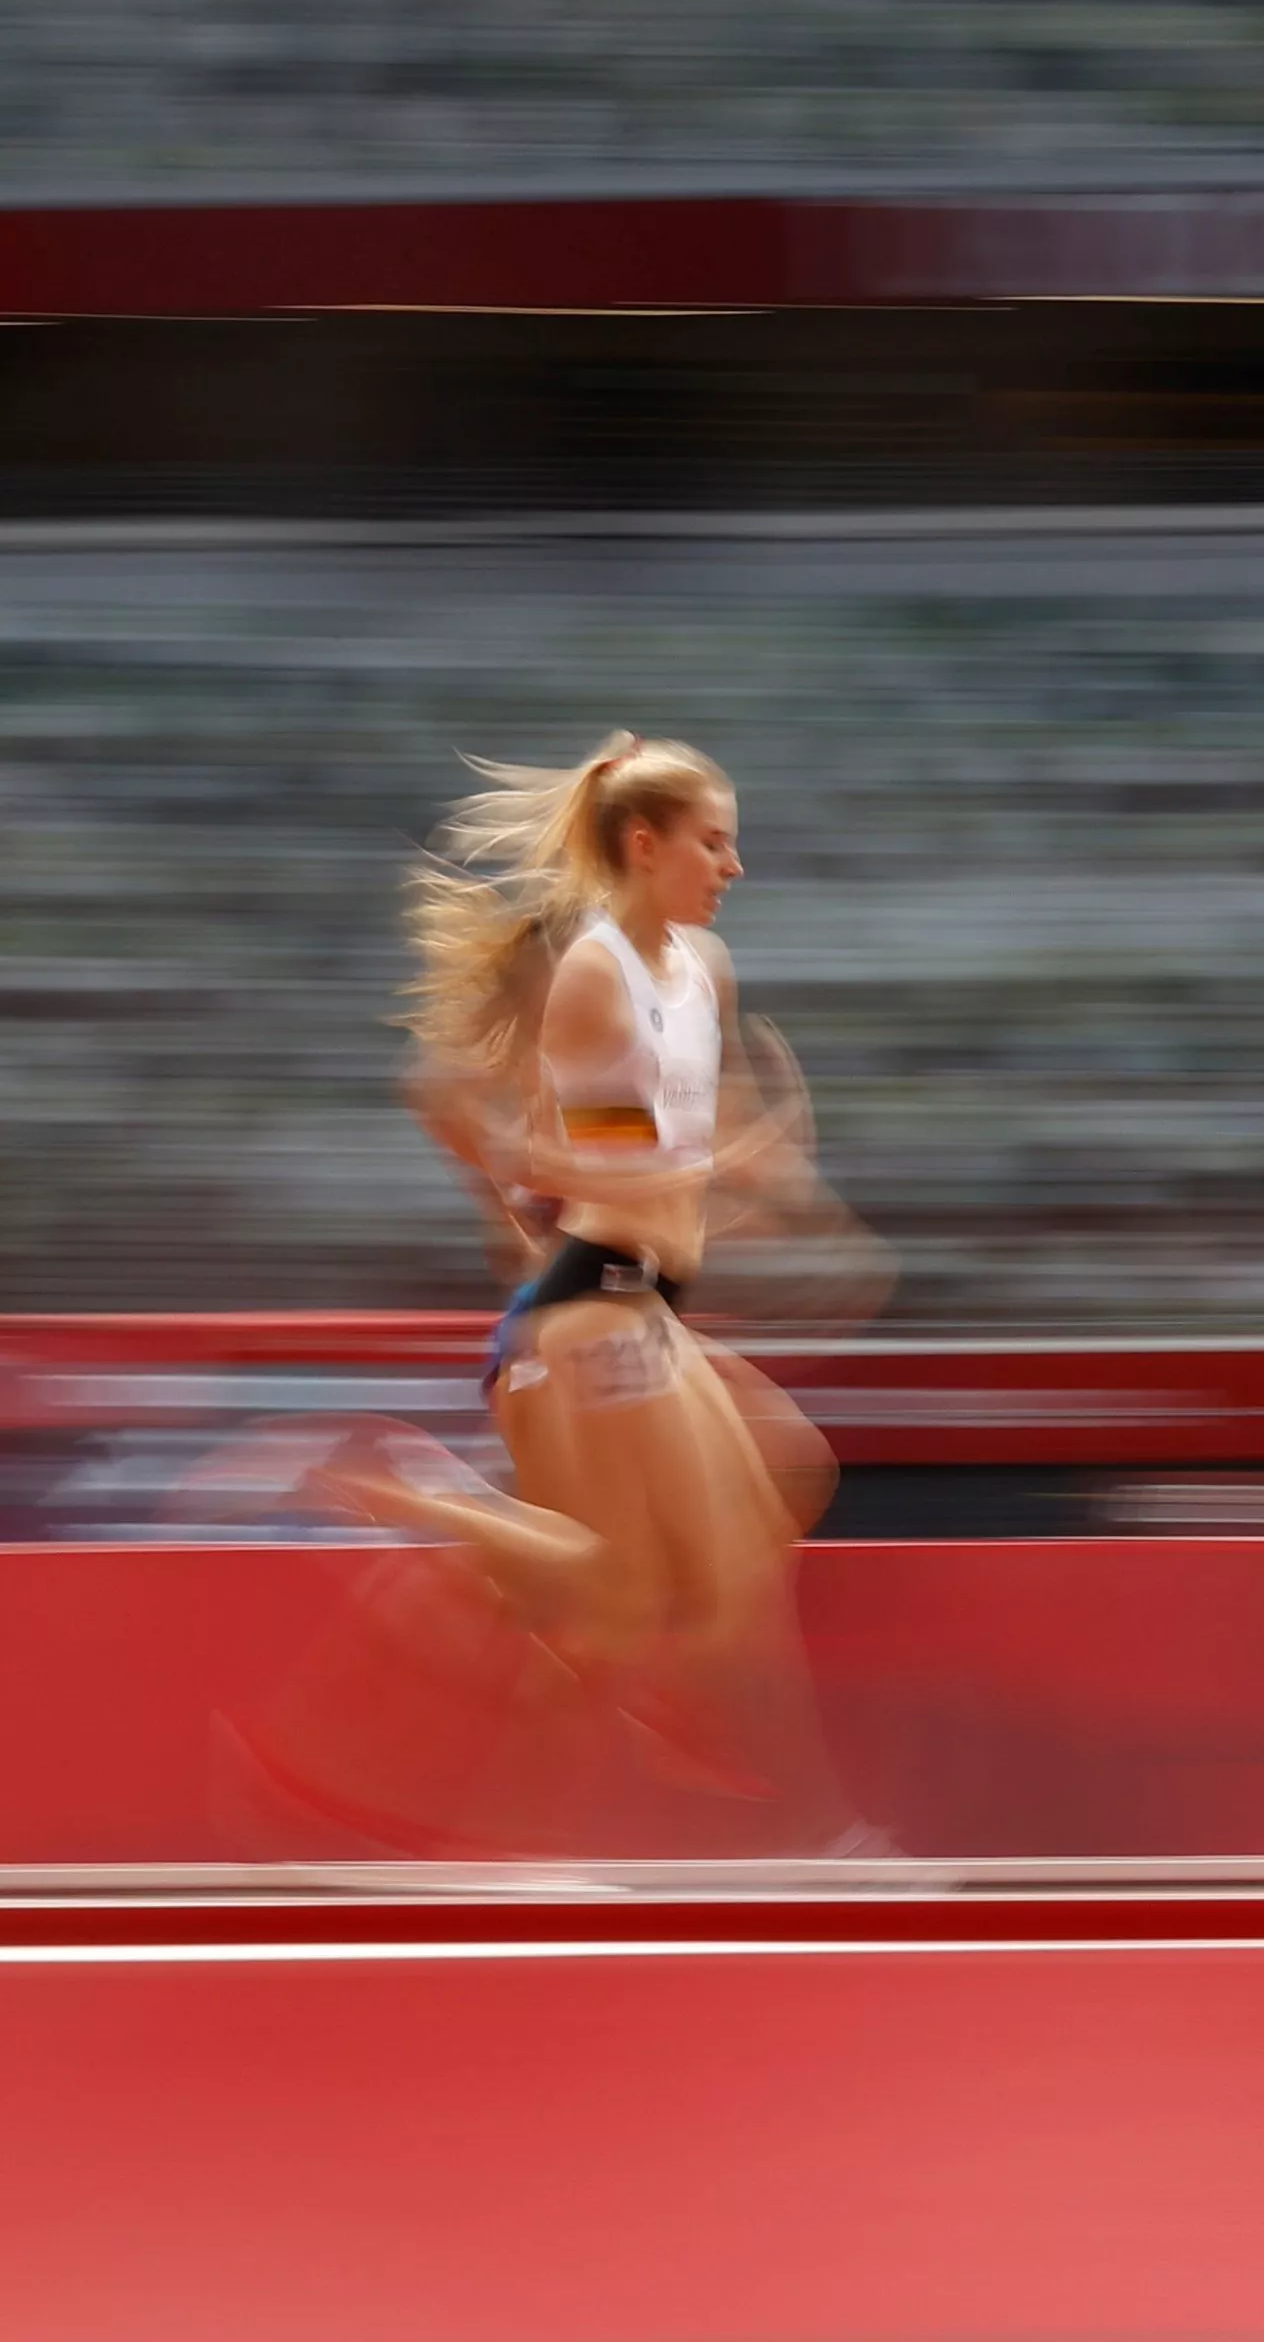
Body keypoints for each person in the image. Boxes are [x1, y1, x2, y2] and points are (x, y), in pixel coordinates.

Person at [246, 732, 869, 1856]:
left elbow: (672, 1133)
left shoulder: (698, 974)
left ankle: (544, 1819)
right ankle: (815, 1835)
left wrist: (774, 1182)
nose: (736, 865)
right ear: (646, 844)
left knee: (746, 1504)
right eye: (715, 841)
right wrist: (662, 1175)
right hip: (593, 1311)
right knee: (679, 1584)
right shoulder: (588, 976)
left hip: (641, 1300)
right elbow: (569, 1153)